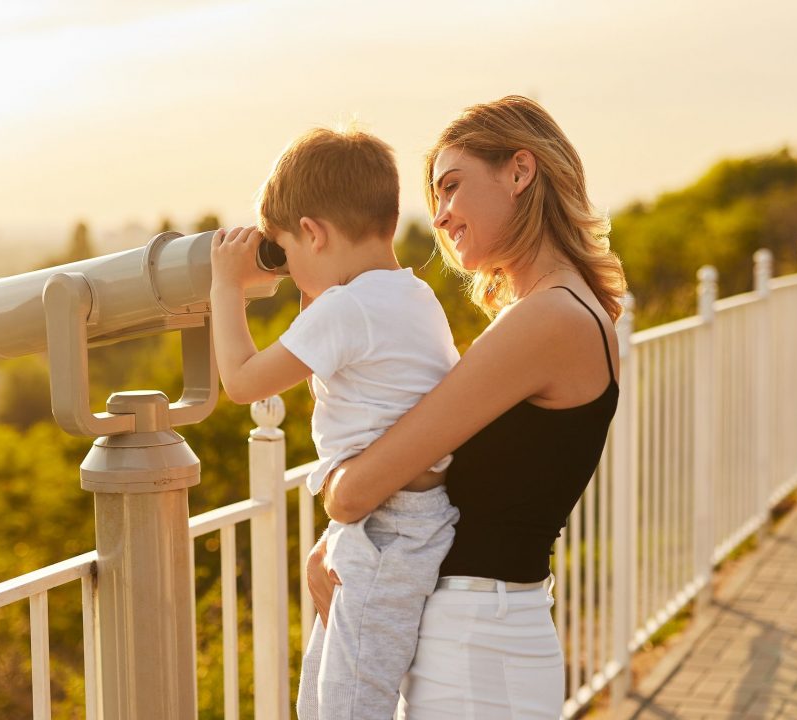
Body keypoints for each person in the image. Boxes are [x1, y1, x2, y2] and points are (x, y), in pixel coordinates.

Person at [311, 95, 627, 718]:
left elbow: (356, 491)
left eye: (452, 187)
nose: (442, 216)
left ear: (519, 170)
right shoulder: (559, 309)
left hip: (479, 651)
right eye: (435, 200)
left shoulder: (548, 319)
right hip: (478, 639)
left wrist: (339, 513)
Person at [208, 127, 461, 719]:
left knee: (347, 705)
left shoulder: (349, 310)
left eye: (287, 251)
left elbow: (243, 381)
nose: (289, 269)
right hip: (399, 520)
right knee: (325, 695)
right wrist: (299, 268)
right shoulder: (412, 296)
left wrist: (227, 286)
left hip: (389, 527)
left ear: (314, 234)